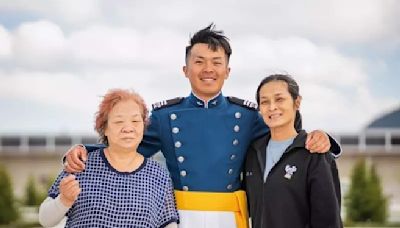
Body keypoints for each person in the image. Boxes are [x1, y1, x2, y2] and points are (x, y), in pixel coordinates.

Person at [64, 24, 341, 228]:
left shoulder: (247, 116)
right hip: (181, 217)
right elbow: (123, 144)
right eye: (199, 61)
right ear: (185, 70)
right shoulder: (165, 117)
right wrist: (83, 150)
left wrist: (321, 136)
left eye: (216, 62)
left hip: (231, 218)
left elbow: (284, 131)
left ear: (227, 71)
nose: (208, 68)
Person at [39, 89, 179, 228]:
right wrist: (64, 200)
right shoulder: (81, 165)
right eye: (119, 121)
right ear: (104, 128)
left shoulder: (158, 175)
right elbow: (45, 219)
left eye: (136, 120)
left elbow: (168, 224)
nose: (128, 128)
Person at [244, 74, 342, 228]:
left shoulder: (314, 153)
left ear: (297, 102)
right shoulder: (253, 153)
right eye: (264, 102)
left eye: (279, 99)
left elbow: (328, 220)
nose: (272, 107)